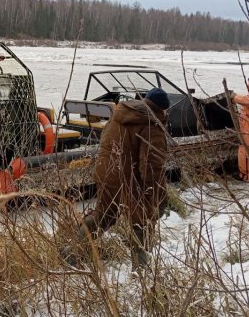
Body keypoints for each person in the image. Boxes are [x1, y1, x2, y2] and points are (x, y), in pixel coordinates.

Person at [64, 87, 170, 269]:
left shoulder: (120, 113)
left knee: (105, 215)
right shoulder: (152, 124)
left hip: (106, 171)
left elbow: (105, 141)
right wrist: (157, 195)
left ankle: (72, 251)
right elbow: (151, 166)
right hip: (130, 179)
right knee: (142, 221)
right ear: (163, 109)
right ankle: (141, 270)